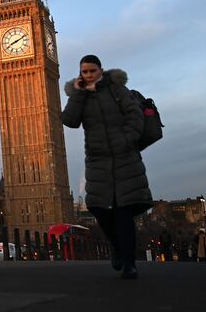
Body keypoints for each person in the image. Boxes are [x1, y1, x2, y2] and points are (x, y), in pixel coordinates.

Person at [61, 54, 153, 279]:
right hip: (98, 159)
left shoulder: (116, 89)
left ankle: (129, 263)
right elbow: (70, 120)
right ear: (80, 74)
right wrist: (79, 92)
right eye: (85, 71)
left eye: (93, 70)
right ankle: (117, 248)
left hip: (124, 157)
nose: (89, 74)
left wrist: (127, 139)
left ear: (101, 70)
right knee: (98, 207)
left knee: (123, 211)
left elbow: (135, 115)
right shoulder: (80, 94)